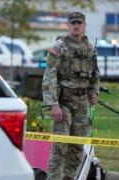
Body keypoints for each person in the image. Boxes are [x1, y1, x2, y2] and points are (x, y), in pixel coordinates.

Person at [42, 12, 100, 180]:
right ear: (68, 25)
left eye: (79, 23)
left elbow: (95, 74)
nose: (76, 26)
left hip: (82, 104)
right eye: (73, 23)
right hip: (64, 103)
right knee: (60, 147)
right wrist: (54, 104)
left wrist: (94, 92)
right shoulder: (60, 46)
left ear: (84, 25)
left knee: (77, 149)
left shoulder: (89, 48)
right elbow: (49, 75)